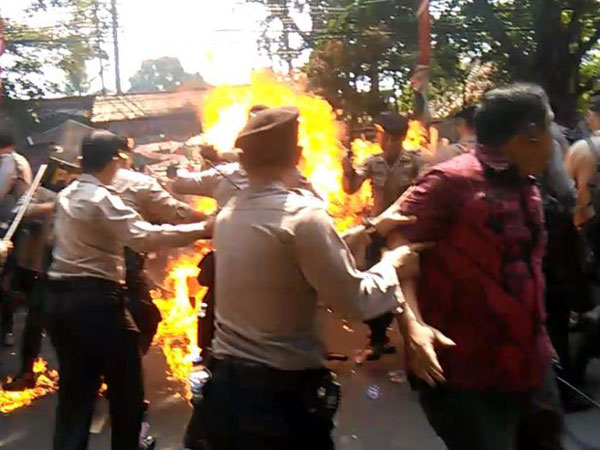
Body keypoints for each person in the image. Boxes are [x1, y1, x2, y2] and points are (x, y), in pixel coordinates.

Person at [184, 106, 453, 450]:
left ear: (244, 161)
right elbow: (355, 301)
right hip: (281, 400)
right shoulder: (304, 216)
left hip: (226, 391)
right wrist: (392, 265)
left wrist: (370, 230)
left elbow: (293, 258)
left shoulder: (229, 216)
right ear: (297, 156)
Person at [377, 84, 563, 449]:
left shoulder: (527, 183)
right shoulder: (450, 181)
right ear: (528, 133)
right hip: (470, 374)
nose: (556, 137)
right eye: (550, 125)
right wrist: (412, 325)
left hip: (532, 365)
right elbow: (396, 245)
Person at [45, 130, 213, 450]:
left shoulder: (68, 194)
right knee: (127, 395)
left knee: (75, 398)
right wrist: (205, 228)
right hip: (97, 304)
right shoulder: (102, 198)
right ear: (117, 160)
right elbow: (143, 237)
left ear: (82, 161)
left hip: (59, 302)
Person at [341, 112, 422, 363]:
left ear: (390, 137)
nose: (378, 138)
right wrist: (346, 170)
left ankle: (415, 337)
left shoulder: (416, 162)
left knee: (409, 282)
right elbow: (351, 187)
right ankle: (378, 338)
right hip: (378, 230)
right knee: (376, 280)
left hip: (406, 231)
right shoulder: (372, 162)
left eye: (381, 133)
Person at [112, 151, 206, 354]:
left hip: (74, 277)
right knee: (146, 318)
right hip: (120, 265)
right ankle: (123, 372)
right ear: (119, 157)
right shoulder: (136, 182)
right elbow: (174, 214)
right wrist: (208, 223)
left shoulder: (77, 188)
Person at [3, 185, 56, 391]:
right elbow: (20, 211)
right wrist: (51, 206)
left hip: (73, 266)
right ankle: (27, 371)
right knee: (35, 320)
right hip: (41, 266)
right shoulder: (40, 189)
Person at [0, 127, 32, 347]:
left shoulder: (10, 161)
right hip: (13, 225)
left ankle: (6, 330)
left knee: (4, 281)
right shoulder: (18, 159)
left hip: (7, 228)